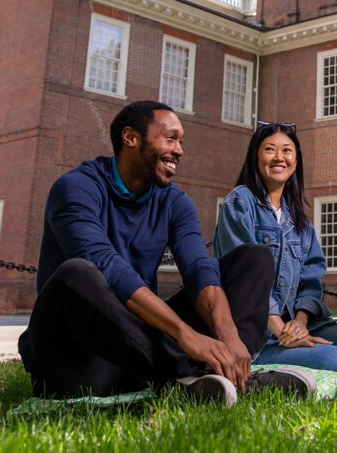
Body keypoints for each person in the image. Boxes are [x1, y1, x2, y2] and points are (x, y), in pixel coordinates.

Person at [18, 100, 314, 405]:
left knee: (253, 259)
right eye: (170, 138)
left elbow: (199, 267)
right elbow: (108, 268)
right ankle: (190, 372)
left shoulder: (174, 200)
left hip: (139, 354)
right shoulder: (76, 188)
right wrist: (185, 334)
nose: (179, 150)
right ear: (131, 137)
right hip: (75, 361)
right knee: (77, 273)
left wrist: (227, 333)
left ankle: (230, 370)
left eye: (181, 141)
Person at [214, 122, 337, 372]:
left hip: (293, 326)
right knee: (333, 359)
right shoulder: (240, 202)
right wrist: (285, 334)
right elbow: (246, 281)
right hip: (256, 333)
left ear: (296, 160)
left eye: (287, 150)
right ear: (255, 156)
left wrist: (300, 322)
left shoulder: (300, 221)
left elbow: (311, 282)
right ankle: (260, 368)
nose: (278, 157)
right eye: (269, 149)